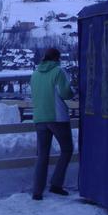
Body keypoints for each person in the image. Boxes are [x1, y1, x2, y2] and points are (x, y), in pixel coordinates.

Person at [30, 47, 74, 201]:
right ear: (57, 58)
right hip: (57, 118)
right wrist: (73, 90)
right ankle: (56, 184)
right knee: (67, 150)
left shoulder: (35, 74)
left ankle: (37, 192)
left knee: (42, 155)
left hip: (39, 118)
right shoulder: (58, 72)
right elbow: (66, 93)